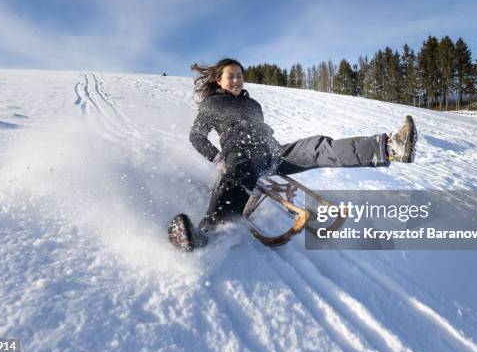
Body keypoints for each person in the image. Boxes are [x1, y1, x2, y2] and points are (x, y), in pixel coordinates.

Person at [168, 58, 417, 251]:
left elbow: (262, 133)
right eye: (231, 76)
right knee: (238, 176)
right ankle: (207, 233)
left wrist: (273, 148)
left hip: (273, 154)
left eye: (240, 76)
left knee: (317, 146)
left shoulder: (254, 105)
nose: (236, 80)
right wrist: (217, 157)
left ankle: (390, 147)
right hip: (241, 157)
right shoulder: (212, 104)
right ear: (219, 81)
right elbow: (196, 137)